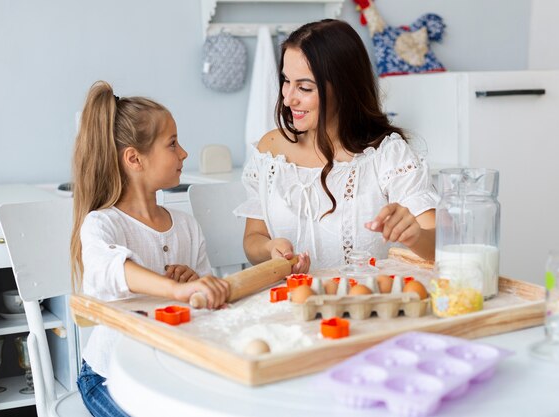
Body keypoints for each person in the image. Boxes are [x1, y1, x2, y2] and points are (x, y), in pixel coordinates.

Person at [69, 81, 230, 417]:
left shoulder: (185, 225)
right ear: (134, 159)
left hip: (169, 368)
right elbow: (111, 269)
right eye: (172, 144)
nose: (184, 153)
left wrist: (193, 282)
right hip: (108, 375)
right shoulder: (102, 224)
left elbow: (206, 294)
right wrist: (174, 289)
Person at [234, 19, 439, 273]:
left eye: (304, 87)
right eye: (286, 81)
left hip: (363, 304)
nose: (288, 99)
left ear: (343, 89)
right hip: (289, 303)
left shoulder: (388, 155)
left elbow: (438, 247)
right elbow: (253, 238)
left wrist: (414, 234)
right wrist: (269, 249)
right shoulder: (270, 150)